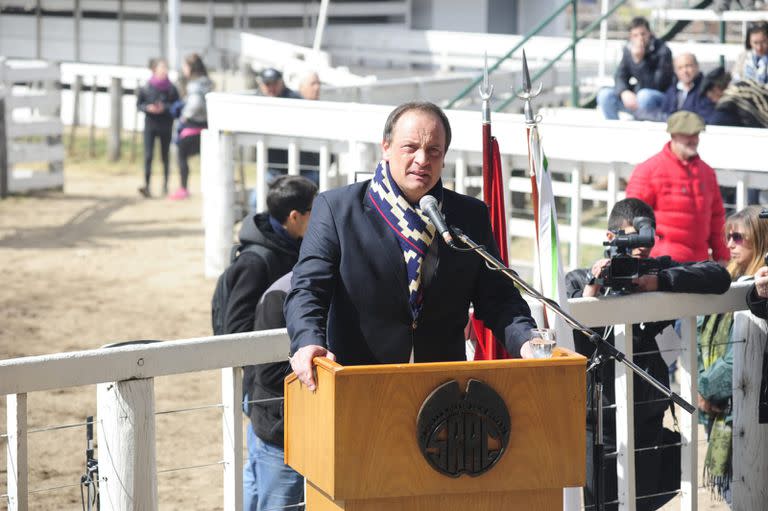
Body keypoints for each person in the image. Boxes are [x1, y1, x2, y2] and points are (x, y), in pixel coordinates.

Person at [285, 101, 541, 391]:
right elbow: (307, 289)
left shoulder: (469, 216)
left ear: (444, 157)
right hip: (359, 389)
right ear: (386, 147)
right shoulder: (336, 209)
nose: (422, 159)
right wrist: (307, 341)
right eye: (410, 147)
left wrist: (527, 340)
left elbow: (499, 298)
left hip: (443, 394)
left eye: (434, 151)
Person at [566, 198, 731, 511]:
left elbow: (719, 276)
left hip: (647, 417)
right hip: (597, 420)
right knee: (593, 504)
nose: (640, 250)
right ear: (611, 238)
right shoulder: (578, 278)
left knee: (641, 503)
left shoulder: (656, 271)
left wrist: (658, 282)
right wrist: (594, 287)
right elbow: (571, 330)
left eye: (646, 240)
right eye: (631, 241)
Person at [698, 206, 768, 501]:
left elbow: (734, 357)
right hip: (723, 409)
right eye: (728, 236)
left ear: (761, 239)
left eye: (738, 237)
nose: (729, 243)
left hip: (740, 406)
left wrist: (704, 388)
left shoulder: (754, 284)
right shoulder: (725, 281)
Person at [625, 111, 729, 263]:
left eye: (696, 134)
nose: (693, 139)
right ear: (673, 135)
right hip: (661, 265)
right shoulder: (649, 170)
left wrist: (723, 258)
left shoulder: (707, 173)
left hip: (699, 265)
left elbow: (717, 219)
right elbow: (630, 219)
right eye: (688, 134)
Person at [242, 272, 305, 511]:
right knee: (275, 499)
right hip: (279, 431)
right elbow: (267, 373)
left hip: (320, 429)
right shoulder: (280, 293)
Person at [224, 175, 317, 335]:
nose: (320, 216)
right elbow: (235, 331)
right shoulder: (253, 263)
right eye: (314, 210)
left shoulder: (295, 243)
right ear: (294, 217)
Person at [597, 17, 673, 121]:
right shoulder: (628, 50)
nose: (640, 38)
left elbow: (657, 84)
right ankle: (615, 130)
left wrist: (639, 61)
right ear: (630, 37)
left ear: (650, 33)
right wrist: (623, 92)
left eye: (643, 34)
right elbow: (620, 75)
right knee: (605, 95)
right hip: (637, 97)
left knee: (644, 96)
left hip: (657, 98)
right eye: (635, 35)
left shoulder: (663, 51)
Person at [171, 53, 214, 201]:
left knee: (181, 157)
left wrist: (184, 115)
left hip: (191, 127)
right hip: (207, 127)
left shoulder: (194, 84)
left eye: (184, 66)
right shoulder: (208, 82)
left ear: (190, 67)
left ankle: (183, 188)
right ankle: (211, 188)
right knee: (208, 161)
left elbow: (195, 104)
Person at [137, 58, 179, 198]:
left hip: (166, 125)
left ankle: (165, 186)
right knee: (148, 156)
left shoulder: (172, 88)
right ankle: (147, 185)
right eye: (162, 67)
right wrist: (148, 108)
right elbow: (139, 105)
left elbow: (176, 106)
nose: (164, 70)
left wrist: (164, 108)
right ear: (154, 69)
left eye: (165, 67)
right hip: (150, 124)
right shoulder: (146, 87)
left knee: (165, 156)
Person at [661, 53, 714, 122]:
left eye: (688, 66)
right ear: (675, 71)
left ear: (697, 66)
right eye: (680, 68)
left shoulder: (706, 89)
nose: (685, 71)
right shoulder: (671, 91)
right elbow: (664, 114)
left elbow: (705, 117)